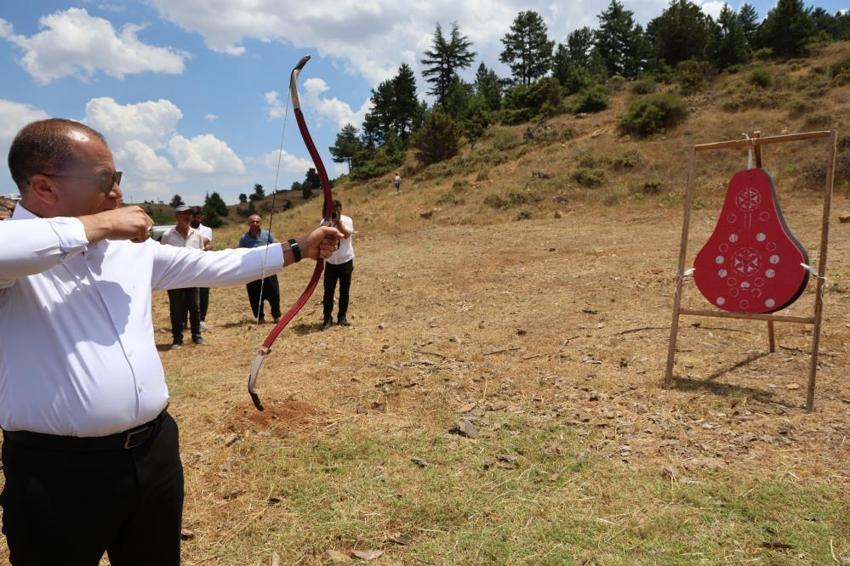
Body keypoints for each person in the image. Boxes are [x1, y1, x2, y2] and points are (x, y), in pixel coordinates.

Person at [0, 118, 341, 565]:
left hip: (152, 453)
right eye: (107, 180)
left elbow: (216, 267)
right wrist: (98, 224)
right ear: (43, 188)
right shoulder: (16, 251)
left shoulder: (129, 250)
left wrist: (298, 248)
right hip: (56, 472)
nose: (118, 193)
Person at [161, 204, 206, 348]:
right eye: (183, 214)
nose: (187, 217)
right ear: (177, 217)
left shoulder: (197, 235)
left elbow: (201, 255)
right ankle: (177, 338)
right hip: (174, 279)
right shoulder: (168, 236)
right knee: (176, 309)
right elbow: (162, 256)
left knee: (195, 307)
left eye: (189, 214)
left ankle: (196, 335)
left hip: (192, 277)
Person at [239, 214, 282, 323]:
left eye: (257, 222)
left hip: (268, 269)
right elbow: (240, 253)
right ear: (248, 224)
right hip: (253, 271)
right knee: (255, 296)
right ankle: (260, 317)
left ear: (261, 223)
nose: (255, 224)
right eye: (252, 222)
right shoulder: (244, 238)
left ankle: (276, 315)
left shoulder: (268, 235)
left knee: (274, 293)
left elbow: (276, 247)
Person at [322, 200, 355, 330]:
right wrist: (330, 223)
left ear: (340, 208)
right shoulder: (324, 222)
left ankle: (342, 317)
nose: (334, 210)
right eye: (332, 208)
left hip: (345, 260)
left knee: (344, 291)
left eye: (336, 207)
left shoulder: (347, 220)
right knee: (328, 292)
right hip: (331, 262)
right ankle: (327, 318)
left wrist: (338, 222)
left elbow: (345, 235)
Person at [189, 206, 213, 331]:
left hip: (203, 265)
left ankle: (201, 319)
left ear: (201, 217)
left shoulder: (207, 230)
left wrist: (187, 244)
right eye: (193, 217)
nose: (196, 219)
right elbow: (203, 245)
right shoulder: (184, 229)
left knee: (203, 293)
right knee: (187, 293)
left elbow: (203, 242)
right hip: (187, 266)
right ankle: (185, 320)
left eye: (198, 217)